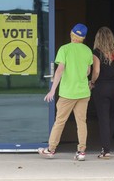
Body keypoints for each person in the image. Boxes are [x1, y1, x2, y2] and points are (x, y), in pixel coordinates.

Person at [38, 23, 93, 161]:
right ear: (83, 37)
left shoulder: (64, 49)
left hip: (68, 93)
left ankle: (51, 150)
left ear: (71, 33)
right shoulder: (87, 51)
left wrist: (52, 90)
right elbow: (88, 71)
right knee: (82, 122)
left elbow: (60, 70)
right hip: (83, 93)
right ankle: (81, 152)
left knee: (60, 122)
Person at [90, 26, 114, 159]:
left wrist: (92, 82)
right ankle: (107, 147)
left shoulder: (97, 52)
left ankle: (106, 150)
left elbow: (96, 71)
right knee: (112, 118)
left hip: (102, 88)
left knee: (103, 119)